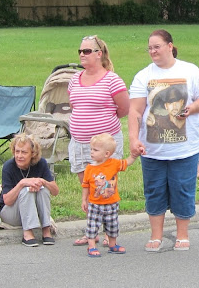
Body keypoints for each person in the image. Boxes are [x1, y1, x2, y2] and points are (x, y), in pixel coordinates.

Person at [129, 29, 199, 252]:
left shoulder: (190, 70)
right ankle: (156, 236)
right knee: (154, 191)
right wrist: (133, 139)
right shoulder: (143, 75)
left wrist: (192, 108)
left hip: (185, 149)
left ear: (169, 46)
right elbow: (135, 111)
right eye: (149, 48)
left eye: (157, 46)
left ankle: (182, 235)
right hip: (152, 150)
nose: (152, 51)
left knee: (183, 190)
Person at [69, 35, 129, 247]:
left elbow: (123, 109)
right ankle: (91, 231)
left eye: (86, 51)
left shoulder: (112, 80)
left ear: (99, 54)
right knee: (88, 187)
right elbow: (75, 105)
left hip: (105, 145)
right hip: (79, 142)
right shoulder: (74, 79)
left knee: (105, 189)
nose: (82, 55)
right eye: (80, 51)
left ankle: (108, 233)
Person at [81, 133, 140, 257]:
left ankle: (112, 244)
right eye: (91, 149)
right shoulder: (89, 168)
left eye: (95, 150)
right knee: (92, 225)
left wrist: (134, 155)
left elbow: (127, 162)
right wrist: (84, 200)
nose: (92, 152)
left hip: (112, 203)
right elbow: (85, 186)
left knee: (112, 225)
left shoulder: (114, 163)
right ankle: (91, 246)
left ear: (107, 154)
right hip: (95, 204)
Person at [0, 134, 59, 247]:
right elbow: (7, 201)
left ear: (33, 154)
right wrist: (22, 183)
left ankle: (46, 230)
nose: (19, 156)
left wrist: (43, 182)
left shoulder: (41, 163)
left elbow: (55, 191)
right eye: (17, 151)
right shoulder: (8, 166)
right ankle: (27, 232)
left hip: (33, 210)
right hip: (10, 213)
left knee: (43, 189)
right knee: (25, 189)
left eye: (24, 152)